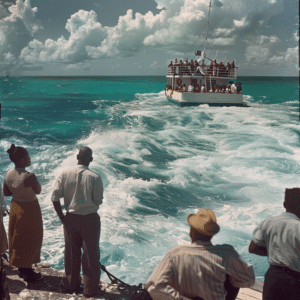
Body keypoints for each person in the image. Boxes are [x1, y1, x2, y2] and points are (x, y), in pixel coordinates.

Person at [145, 208, 255, 300]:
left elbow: (153, 286)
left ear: (192, 231)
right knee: (231, 275)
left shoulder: (176, 254)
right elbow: (248, 279)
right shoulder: (227, 253)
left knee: (171, 276)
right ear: (211, 234)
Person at [51, 147, 103, 297]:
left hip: (70, 218)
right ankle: (90, 290)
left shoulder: (65, 174)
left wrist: (62, 217)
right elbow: (98, 200)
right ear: (91, 160)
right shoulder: (95, 177)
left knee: (71, 253)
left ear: (77, 157)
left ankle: (71, 284)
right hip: (89, 219)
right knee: (90, 255)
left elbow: (54, 197)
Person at [249, 188, 300, 300]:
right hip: (295, 279)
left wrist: (275, 252)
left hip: (273, 277)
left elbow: (252, 248)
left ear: (284, 204)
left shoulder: (268, 223)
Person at [3, 144, 43, 282]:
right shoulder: (29, 176)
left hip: (15, 206)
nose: (30, 158)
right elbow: (38, 190)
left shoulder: (8, 173)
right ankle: (28, 271)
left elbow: (6, 192)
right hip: (29, 208)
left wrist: (18, 191)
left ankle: (21, 268)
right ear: (21, 160)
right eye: (27, 156)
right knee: (31, 238)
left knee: (18, 238)